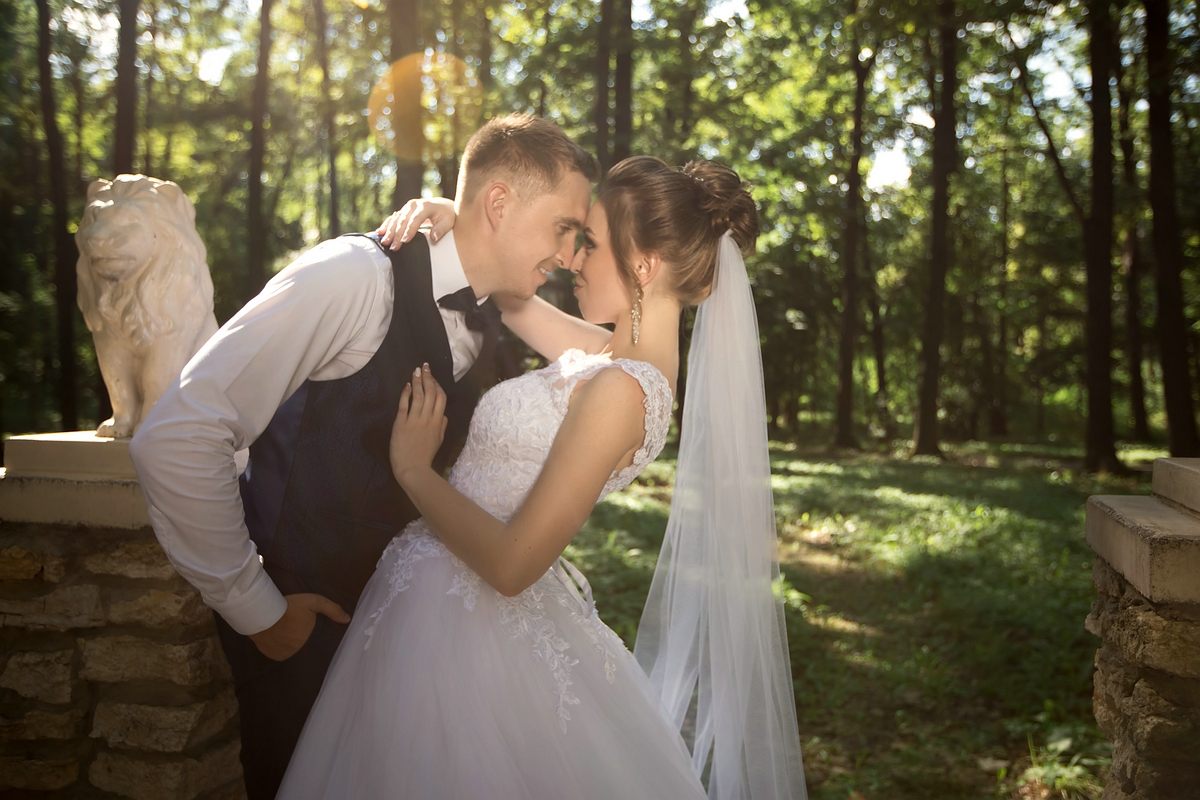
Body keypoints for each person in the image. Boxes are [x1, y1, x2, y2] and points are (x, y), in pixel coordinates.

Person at [276, 156, 808, 798]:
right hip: (433, 596)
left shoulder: (623, 391)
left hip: (464, 629)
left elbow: (510, 566)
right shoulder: (617, 361)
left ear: (642, 266)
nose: (574, 259)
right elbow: (513, 298)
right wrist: (462, 217)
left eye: (592, 244)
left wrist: (414, 471)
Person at [128, 114, 596, 799]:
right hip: (308, 641)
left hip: (416, 651)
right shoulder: (351, 278)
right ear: (500, 203)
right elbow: (178, 433)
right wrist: (257, 608)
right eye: (565, 227)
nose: (570, 253)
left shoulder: (489, 315)